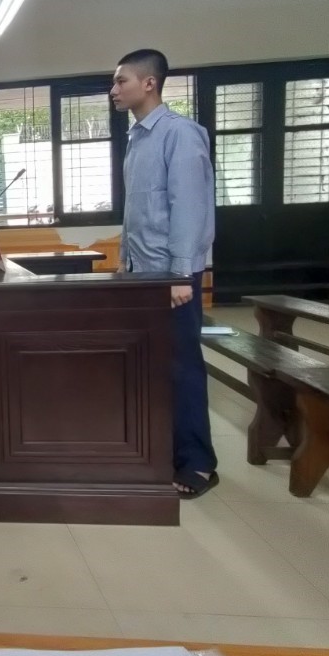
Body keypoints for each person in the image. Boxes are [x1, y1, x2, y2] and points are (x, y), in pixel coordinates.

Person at [110, 49, 218, 499]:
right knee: (151, 368)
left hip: (171, 277)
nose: (114, 90)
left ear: (149, 83)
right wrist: (124, 258)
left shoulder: (180, 134)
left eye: (122, 81)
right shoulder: (138, 138)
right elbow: (136, 209)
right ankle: (159, 450)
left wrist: (178, 275)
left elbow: (189, 208)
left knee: (181, 367)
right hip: (143, 272)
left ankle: (198, 463)